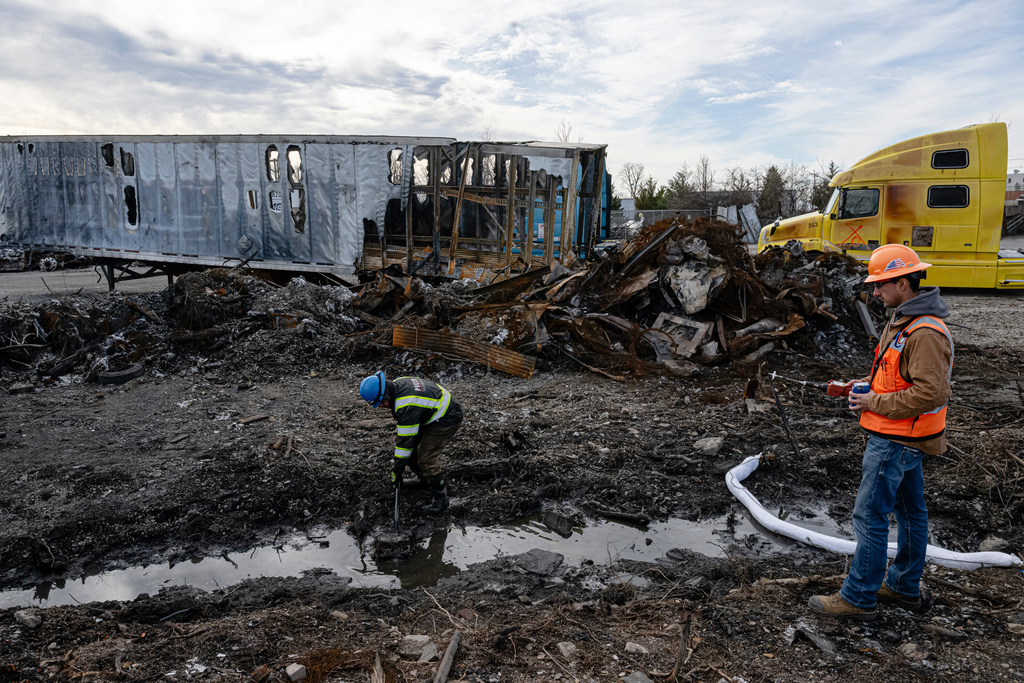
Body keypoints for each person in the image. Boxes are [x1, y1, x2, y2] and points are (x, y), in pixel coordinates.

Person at [809, 244, 953, 621]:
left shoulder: (925, 332)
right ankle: (904, 587)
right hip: (903, 437)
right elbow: (900, 377)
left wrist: (875, 403)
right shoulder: (904, 320)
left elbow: (930, 392)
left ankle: (858, 597)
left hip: (897, 440)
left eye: (880, 285)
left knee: (869, 516)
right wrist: (865, 386)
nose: (874, 293)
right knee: (911, 513)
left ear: (903, 283)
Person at [358, 371, 463, 514]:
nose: (381, 406)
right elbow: (405, 439)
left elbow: (405, 444)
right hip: (429, 411)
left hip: (447, 416)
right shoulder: (398, 383)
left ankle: (441, 499)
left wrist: (397, 470)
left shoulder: (404, 404)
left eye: (381, 402)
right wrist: (399, 466)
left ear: (385, 395)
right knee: (407, 445)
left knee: (426, 457)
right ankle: (423, 478)